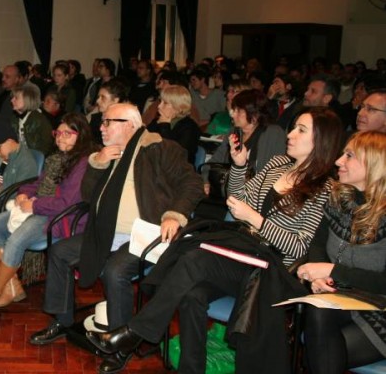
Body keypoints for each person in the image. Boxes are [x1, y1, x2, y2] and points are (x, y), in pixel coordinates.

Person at [86, 107, 344, 374]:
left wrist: (257, 220)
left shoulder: (324, 188)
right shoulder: (278, 165)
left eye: (301, 130)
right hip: (241, 252)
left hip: (271, 271)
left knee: (195, 257)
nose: (290, 134)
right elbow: (237, 199)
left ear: (321, 140)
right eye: (293, 127)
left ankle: (135, 331)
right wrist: (239, 166)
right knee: (192, 293)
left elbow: (298, 247)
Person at [28, 103, 204, 373]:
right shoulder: (107, 154)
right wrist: (98, 164)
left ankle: (122, 343)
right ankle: (63, 321)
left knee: (115, 270)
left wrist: (175, 214)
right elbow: (87, 196)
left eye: (108, 122)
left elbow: (193, 183)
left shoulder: (159, 148)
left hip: (142, 234)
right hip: (107, 231)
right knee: (60, 252)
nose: (101, 127)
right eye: (102, 122)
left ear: (130, 125)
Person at [0, 113, 98, 314]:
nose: (60, 137)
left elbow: (66, 202)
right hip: (42, 208)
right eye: (58, 133)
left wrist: (34, 206)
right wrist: (23, 194)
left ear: (81, 135)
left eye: (68, 133)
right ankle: (12, 288)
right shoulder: (56, 158)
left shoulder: (83, 163)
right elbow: (38, 183)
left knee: (17, 239)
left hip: (62, 217)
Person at [296, 131, 386, 374]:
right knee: (318, 317)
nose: (338, 161)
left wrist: (334, 270)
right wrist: (319, 275)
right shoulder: (339, 198)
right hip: (344, 297)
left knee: (321, 350)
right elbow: (317, 245)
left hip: (381, 308)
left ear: (374, 164)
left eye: (349, 156)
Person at [201, 89, 287, 196]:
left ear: (254, 114)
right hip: (228, 193)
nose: (232, 114)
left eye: (238, 110)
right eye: (233, 109)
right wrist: (206, 180)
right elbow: (211, 163)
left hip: (256, 197)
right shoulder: (233, 132)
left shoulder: (273, 133)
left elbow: (275, 174)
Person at [145, 85, 201, 164]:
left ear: (178, 107)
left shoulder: (190, 127)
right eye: (160, 101)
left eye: (165, 103)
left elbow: (174, 155)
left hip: (179, 172)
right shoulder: (156, 122)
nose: (159, 106)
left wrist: (164, 125)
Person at [10, 83, 54, 155]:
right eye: (12, 98)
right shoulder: (14, 118)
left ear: (27, 99)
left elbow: (46, 147)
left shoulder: (40, 120)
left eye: (16, 98)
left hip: (34, 159)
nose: (12, 100)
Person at [88, 78, 130, 145]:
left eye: (103, 97)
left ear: (115, 100)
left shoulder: (123, 123)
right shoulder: (95, 118)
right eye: (98, 97)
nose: (97, 101)